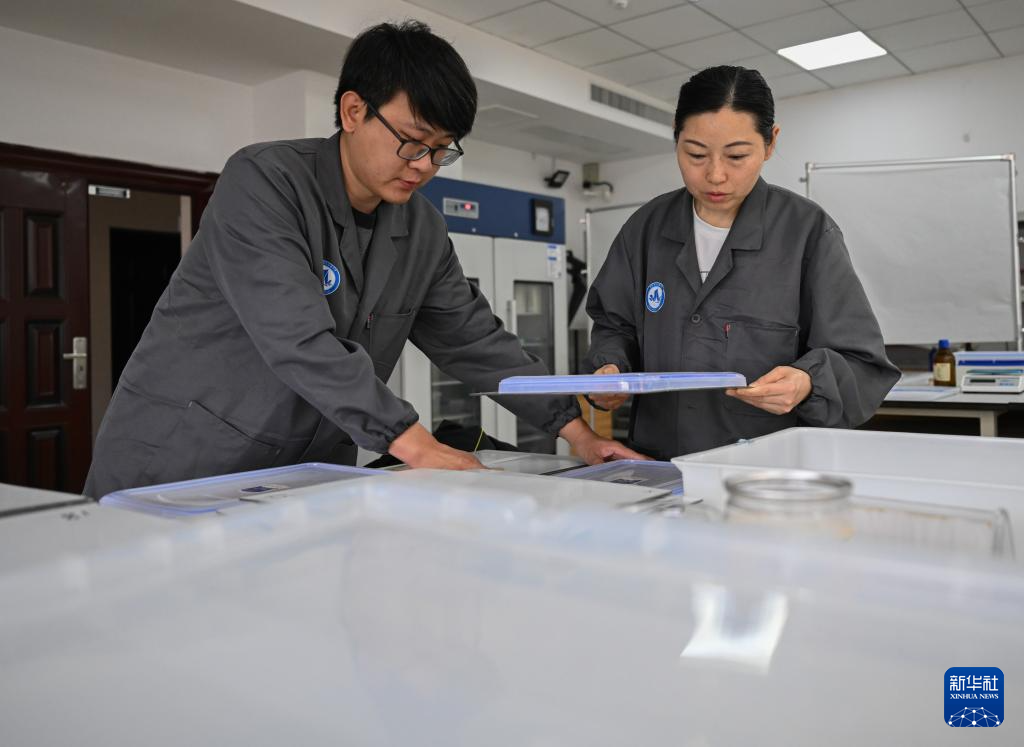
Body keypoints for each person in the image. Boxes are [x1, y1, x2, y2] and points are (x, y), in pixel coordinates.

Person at [85, 20, 643, 498]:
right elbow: (299, 339)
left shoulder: (421, 228)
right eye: (413, 141)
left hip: (308, 467)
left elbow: (475, 341)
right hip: (188, 456)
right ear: (353, 110)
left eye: (442, 150)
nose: (425, 165)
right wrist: (415, 444)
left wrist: (578, 433)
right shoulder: (263, 183)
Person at [585, 65, 899, 460]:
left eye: (736, 156)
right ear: (676, 138)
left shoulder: (806, 231)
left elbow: (861, 362)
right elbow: (614, 325)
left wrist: (807, 381)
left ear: (770, 143)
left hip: (768, 473)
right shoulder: (646, 228)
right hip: (660, 466)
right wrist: (610, 368)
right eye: (695, 154)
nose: (715, 175)